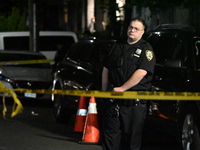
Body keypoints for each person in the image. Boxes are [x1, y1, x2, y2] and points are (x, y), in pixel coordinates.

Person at [101, 17, 156, 150]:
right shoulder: (117, 46)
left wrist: (123, 89)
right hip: (114, 101)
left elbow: (141, 72)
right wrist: (103, 92)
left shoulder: (146, 49)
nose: (132, 30)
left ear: (142, 32)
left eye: (136, 29)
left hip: (133, 103)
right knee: (110, 138)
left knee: (131, 141)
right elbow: (106, 68)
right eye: (131, 27)